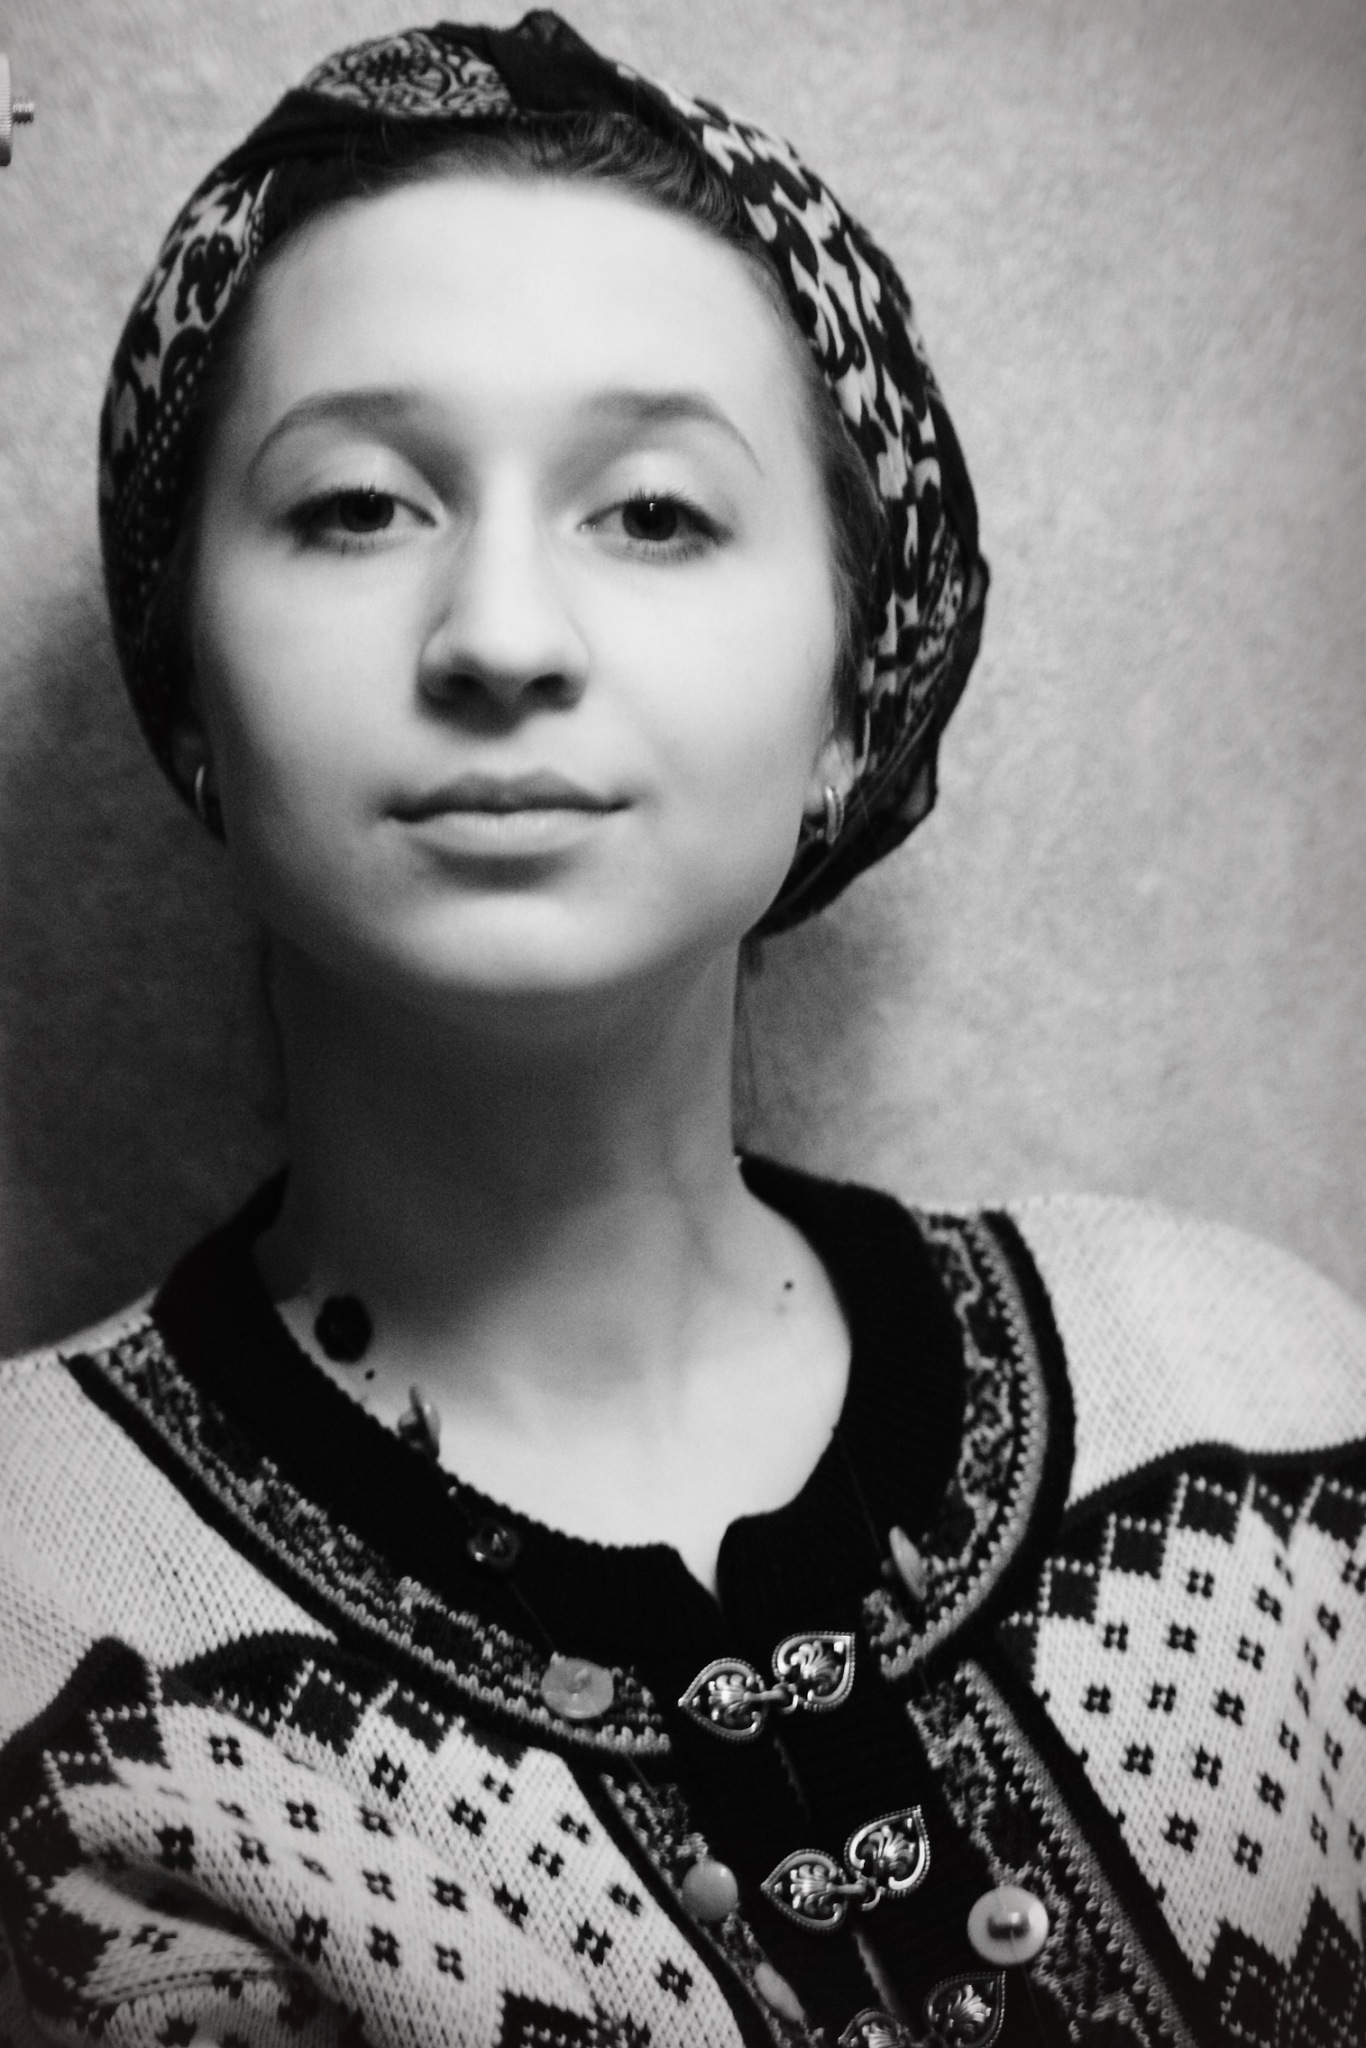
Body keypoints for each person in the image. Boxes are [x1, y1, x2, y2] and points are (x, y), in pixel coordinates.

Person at [1, 13, 1363, 2047]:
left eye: (650, 513)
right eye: (356, 506)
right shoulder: (39, 1610)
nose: (499, 638)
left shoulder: (1262, 1396)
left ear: (849, 694)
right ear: (189, 681)